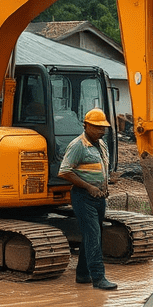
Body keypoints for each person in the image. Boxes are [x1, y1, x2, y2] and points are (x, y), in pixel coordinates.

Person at [59, 108, 116, 290]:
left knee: (91, 236)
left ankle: (83, 274)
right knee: (93, 236)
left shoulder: (102, 144)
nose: (102, 131)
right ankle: (98, 278)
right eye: (97, 127)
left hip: (99, 198)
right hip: (83, 197)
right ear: (86, 126)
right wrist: (89, 186)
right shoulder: (78, 145)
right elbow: (65, 171)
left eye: (103, 128)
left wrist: (105, 184)